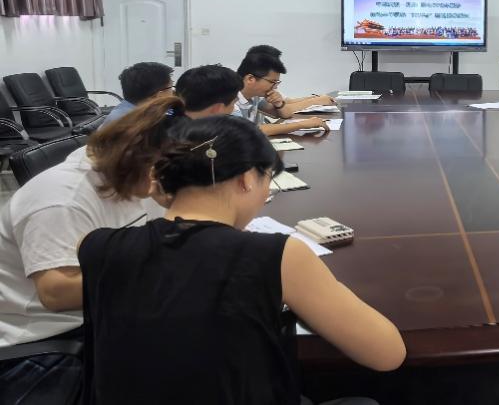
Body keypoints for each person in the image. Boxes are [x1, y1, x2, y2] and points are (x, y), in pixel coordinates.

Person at [77, 115, 406, 404]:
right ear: (248, 178)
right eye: (268, 179)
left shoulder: (97, 247)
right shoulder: (277, 256)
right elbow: (387, 354)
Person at [0, 99, 185, 403]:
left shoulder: (132, 177)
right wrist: (157, 273)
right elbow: (56, 294)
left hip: (104, 313)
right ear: (137, 159)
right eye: (165, 174)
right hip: (45, 337)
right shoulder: (60, 200)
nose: (166, 185)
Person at [234, 52, 329, 136]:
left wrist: (279, 104)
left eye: (277, 83)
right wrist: (302, 124)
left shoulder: (255, 96)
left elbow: (285, 114)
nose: (275, 87)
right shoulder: (230, 98)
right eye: (272, 82)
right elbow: (253, 130)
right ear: (250, 79)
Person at [101, 62, 174, 126]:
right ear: (159, 95)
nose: (173, 92)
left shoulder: (131, 110)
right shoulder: (132, 124)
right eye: (171, 87)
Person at [175, 64, 243, 118]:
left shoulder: (173, 125)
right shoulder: (228, 129)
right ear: (217, 109)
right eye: (233, 103)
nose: (234, 109)